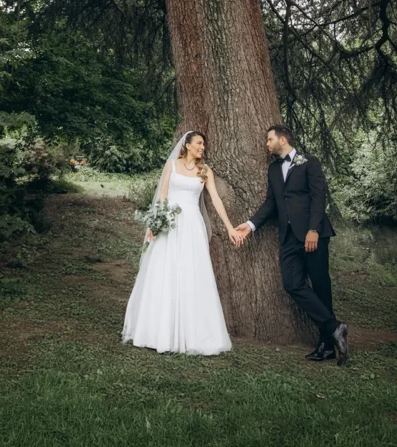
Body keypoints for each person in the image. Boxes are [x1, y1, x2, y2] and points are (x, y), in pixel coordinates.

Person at [235, 125, 348, 365]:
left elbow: (319, 197)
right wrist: (250, 225)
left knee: (320, 286)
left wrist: (314, 230)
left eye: (269, 139)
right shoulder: (274, 169)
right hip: (288, 238)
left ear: (282, 140)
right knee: (292, 283)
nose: (266, 144)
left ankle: (327, 345)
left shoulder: (310, 162)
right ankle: (334, 327)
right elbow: (271, 203)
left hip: (312, 235)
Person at [122, 130, 239, 355]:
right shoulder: (172, 165)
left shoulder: (205, 171)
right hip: (170, 224)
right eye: (198, 143)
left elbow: (214, 199)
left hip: (192, 227)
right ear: (186, 145)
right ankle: (158, 331)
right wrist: (154, 224)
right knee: (164, 272)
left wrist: (229, 226)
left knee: (190, 273)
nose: (202, 147)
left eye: (203, 144)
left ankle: (192, 333)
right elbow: (163, 195)